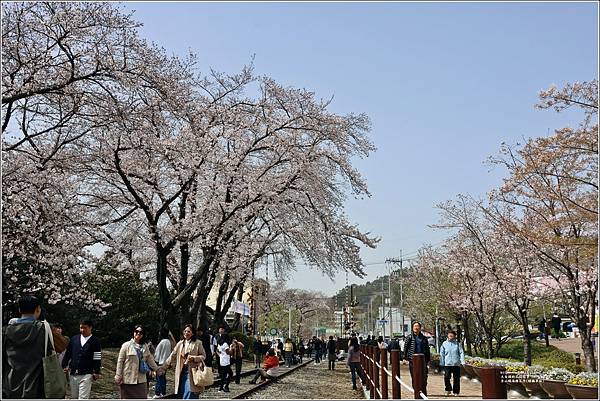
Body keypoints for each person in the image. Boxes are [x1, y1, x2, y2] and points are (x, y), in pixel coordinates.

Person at [2, 294, 55, 399]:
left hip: (10, 387)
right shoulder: (43, 330)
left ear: (19, 309)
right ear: (38, 309)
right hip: (36, 387)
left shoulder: (5, 331)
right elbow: (55, 351)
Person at [159, 324, 206, 399]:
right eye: (185, 331)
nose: (186, 333)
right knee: (182, 391)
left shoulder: (198, 343)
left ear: (192, 333)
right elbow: (172, 356)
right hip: (181, 371)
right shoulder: (180, 344)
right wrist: (163, 367)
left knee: (190, 391)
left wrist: (194, 358)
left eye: (189, 331)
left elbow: (203, 356)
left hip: (192, 372)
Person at [114, 325, 162, 399]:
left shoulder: (145, 346)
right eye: (136, 331)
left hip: (141, 379)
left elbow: (150, 360)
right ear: (133, 332)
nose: (138, 333)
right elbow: (120, 361)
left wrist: (157, 369)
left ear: (143, 334)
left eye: (141, 332)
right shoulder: (126, 345)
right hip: (128, 379)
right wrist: (118, 375)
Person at [62, 317, 102, 399]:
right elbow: (68, 354)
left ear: (90, 327)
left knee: (83, 397)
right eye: (81, 327)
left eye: (85, 328)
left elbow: (97, 357)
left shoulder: (95, 341)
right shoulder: (74, 339)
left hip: (86, 373)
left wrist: (96, 371)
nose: (82, 330)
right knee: (74, 397)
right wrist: (64, 365)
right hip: (73, 373)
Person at [403, 321, 431, 396]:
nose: (416, 327)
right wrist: (404, 358)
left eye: (417, 326)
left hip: (423, 360)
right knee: (414, 376)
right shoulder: (409, 337)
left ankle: (423, 389)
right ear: (412, 328)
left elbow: (427, 349)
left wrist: (428, 359)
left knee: (424, 376)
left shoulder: (424, 338)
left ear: (420, 328)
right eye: (414, 326)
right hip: (413, 360)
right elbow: (406, 348)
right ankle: (416, 390)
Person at [439, 329, 465, 397]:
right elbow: (442, 354)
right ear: (447, 335)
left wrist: (462, 361)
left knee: (456, 379)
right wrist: (442, 362)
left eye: (452, 334)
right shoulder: (444, 344)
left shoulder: (457, 344)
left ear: (454, 336)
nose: (451, 335)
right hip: (447, 364)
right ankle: (448, 389)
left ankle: (456, 391)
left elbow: (461, 352)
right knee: (447, 377)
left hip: (456, 364)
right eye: (449, 334)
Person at [153, 328, 173, 398]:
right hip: (166, 363)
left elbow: (157, 354)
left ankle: (158, 393)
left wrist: (155, 362)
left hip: (160, 363)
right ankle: (163, 392)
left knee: (159, 378)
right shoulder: (168, 342)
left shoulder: (162, 342)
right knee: (163, 378)